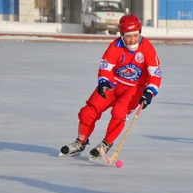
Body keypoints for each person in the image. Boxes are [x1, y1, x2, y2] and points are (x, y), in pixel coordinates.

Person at [60, 14, 162, 158]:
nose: (132, 40)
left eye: (135, 35)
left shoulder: (147, 48)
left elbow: (155, 73)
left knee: (119, 113)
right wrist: (103, 81)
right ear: (122, 35)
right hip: (113, 83)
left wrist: (150, 91)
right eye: (128, 36)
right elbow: (106, 67)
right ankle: (80, 142)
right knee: (87, 112)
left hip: (135, 87)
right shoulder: (115, 45)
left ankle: (105, 144)